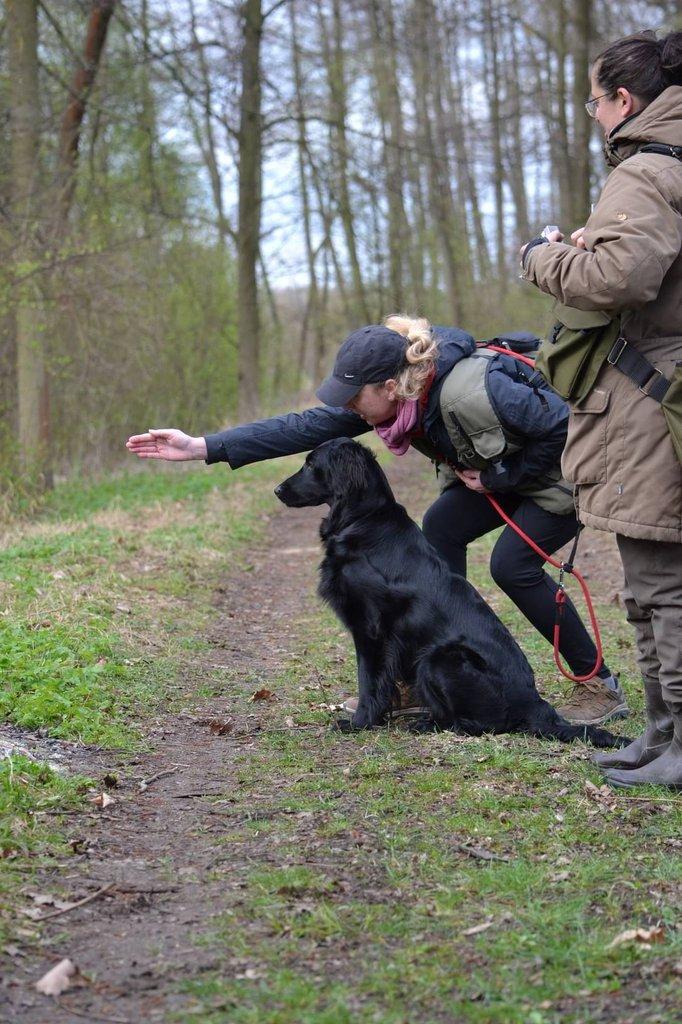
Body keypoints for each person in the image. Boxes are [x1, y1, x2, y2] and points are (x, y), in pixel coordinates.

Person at [127, 314, 625, 725]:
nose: (348, 408)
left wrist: (499, 476)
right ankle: (420, 674)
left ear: (388, 386)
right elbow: (303, 426)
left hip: (565, 474)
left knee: (511, 565)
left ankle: (597, 683)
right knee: (443, 525)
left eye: (352, 397)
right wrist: (205, 446)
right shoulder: (391, 399)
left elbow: (565, 427)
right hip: (506, 474)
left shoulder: (476, 390)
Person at [520, 30, 682, 788]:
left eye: (595, 101)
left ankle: (678, 743)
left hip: (655, 399)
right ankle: (660, 732)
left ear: (623, 100)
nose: (594, 115)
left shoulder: (647, 169)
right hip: (661, 393)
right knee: (650, 580)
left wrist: (544, 257)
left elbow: (622, 278)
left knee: (661, 582)